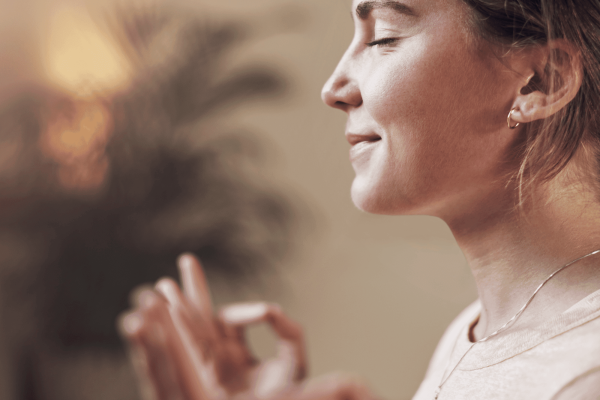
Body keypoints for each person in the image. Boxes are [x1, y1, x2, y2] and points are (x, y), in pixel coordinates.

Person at [119, 0, 600, 398]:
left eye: (382, 37)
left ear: (541, 83)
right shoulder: (475, 331)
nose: (334, 89)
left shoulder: (583, 371)